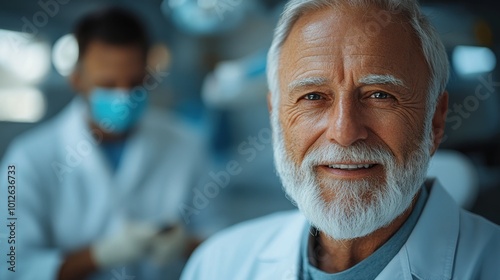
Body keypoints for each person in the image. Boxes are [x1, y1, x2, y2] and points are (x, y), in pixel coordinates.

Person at [181, 0, 500, 279]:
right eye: (313, 96)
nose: (345, 133)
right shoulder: (218, 265)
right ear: (275, 116)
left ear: (435, 119)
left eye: (379, 95)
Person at [0, 7, 204, 280]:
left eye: (134, 84)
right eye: (107, 85)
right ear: (76, 79)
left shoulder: (185, 143)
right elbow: (12, 265)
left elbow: (222, 240)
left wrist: (185, 244)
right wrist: (98, 256)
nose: (123, 96)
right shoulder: (25, 160)